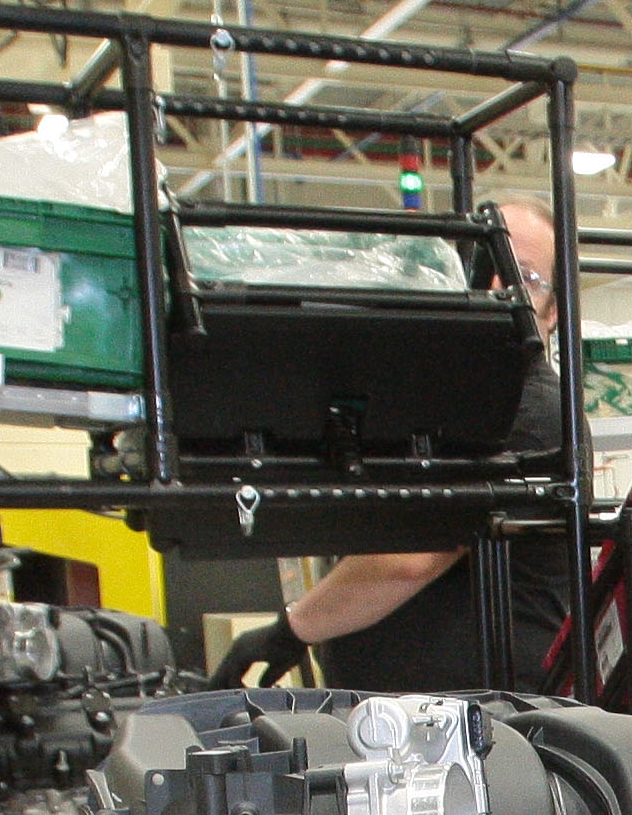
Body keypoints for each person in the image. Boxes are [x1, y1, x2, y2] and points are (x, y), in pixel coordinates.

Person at [208, 195, 573, 693]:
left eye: (524, 277)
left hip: (485, 726)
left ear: (552, 313)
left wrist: (290, 631)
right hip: (419, 723)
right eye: (484, 264)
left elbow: (411, 557)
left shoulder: (524, 410)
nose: (498, 288)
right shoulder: (453, 402)